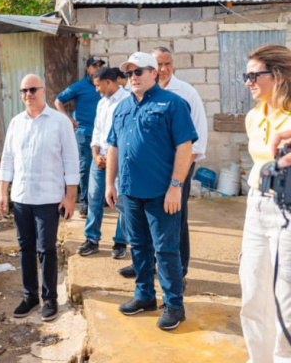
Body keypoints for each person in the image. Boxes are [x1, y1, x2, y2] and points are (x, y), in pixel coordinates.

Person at [105, 52, 198, 331]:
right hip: (131, 192)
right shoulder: (121, 108)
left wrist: (176, 187)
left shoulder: (173, 104)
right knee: (140, 247)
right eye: (128, 73)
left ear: (153, 73)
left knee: (166, 250)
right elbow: (114, 147)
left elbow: (185, 148)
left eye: (138, 72)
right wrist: (110, 183)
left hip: (161, 193)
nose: (132, 78)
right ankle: (144, 296)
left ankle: (173, 305)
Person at [117, 47, 209, 284]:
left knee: (175, 222)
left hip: (178, 170)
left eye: (168, 64)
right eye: (159, 64)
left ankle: (179, 270)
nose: (164, 69)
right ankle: (147, 265)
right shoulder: (134, 96)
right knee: (143, 224)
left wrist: (176, 181)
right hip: (145, 175)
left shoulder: (185, 94)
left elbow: (193, 142)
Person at [0, 74, 79, 322]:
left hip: (48, 198)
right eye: (23, 91)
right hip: (22, 197)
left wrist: (70, 196)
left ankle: (50, 299)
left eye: (33, 89)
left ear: (43, 90)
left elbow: (71, 160)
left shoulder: (59, 122)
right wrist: (3, 192)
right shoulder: (16, 123)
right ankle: (29, 296)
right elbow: (7, 159)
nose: (28, 95)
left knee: (47, 249)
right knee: (25, 249)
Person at [238, 45, 291, 361]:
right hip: (256, 204)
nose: (248, 82)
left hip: (286, 208)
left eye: (254, 75)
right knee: (253, 292)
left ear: (279, 75)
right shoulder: (253, 116)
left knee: (286, 294)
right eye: (246, 75)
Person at [77, 67, 130, 258]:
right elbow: (97, 132)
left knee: (121, 201)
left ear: (109, 82)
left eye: (98, 86)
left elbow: (127, 135)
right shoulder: (102, 104)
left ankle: (120, 242)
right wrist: (95, 154)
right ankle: (92, 239)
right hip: (99, 159)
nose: (97, 90)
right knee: (94, 198)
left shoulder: (127, 101)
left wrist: (112, 156)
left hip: (121, 160)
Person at [55, 57, 103, 217]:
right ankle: (85, 203)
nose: (97, 68)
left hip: (103, 135)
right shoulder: (80, 86)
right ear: (88, 69)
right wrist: (68, 119)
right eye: (94, 66)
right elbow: (58, 101)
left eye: (100, 66)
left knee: (102, 165)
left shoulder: (105, 85)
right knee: (86, 166)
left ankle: (98, 199)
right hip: (85, 133)